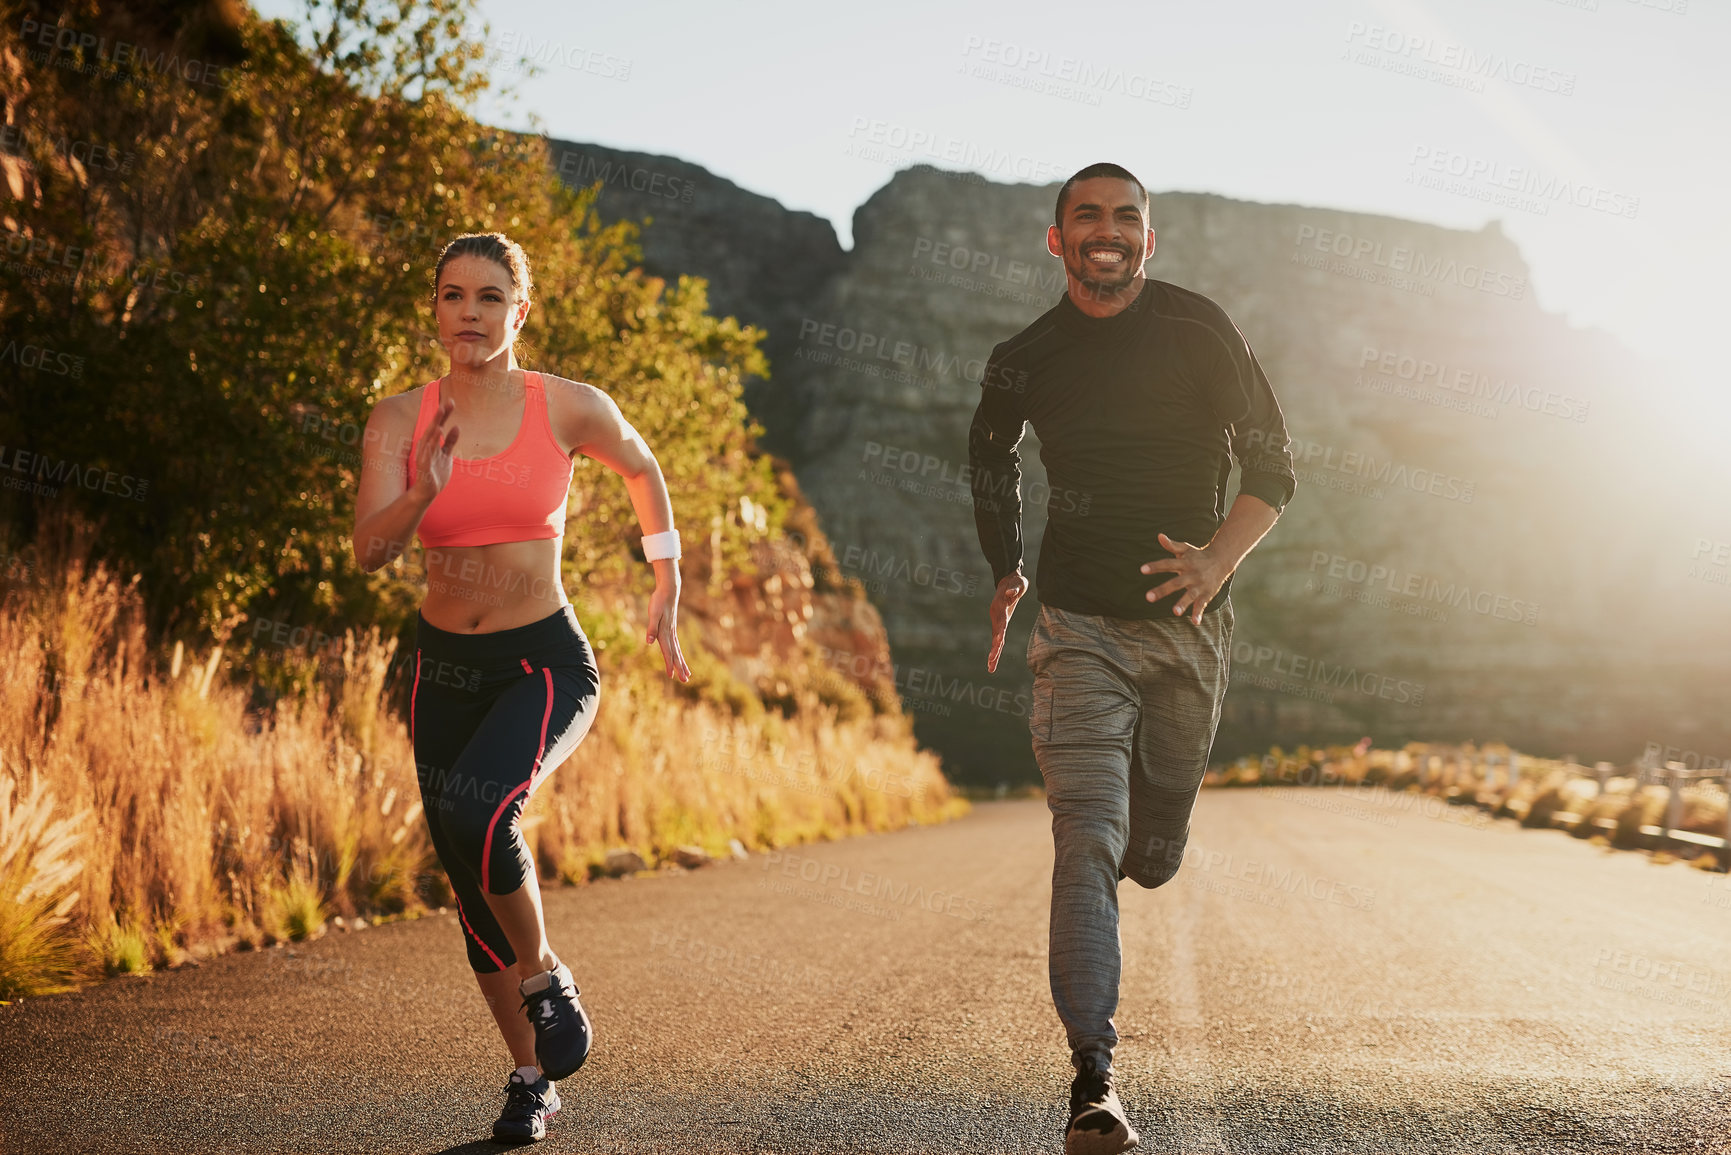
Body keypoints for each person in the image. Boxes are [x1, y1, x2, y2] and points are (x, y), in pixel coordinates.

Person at [968, 164, 1296, 1155]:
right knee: (1086, 837)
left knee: (1151, 847)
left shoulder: (1200, 328)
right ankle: (1092, 1079)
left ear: (1148, 240)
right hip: (1075, 631)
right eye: (1087, 217)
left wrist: (1215, 561)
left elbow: (1273, 462)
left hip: (1189, 638)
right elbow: (988, 451)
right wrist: (1006, 569)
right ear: (1056, 238)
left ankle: (1164, 832)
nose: (1107, 232)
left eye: (1126, 219)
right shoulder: (1025, 354)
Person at [351, 231, 692, 1144]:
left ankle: (544, 975)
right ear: (435, 308)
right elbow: (370, 551)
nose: (469, 313)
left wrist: (665, 577)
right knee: (467, 883)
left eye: (489, 297)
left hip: (543, 657)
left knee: (481, 816)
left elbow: (642, 466)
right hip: (440, 668)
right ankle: (531, 1076)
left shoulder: (568, 407)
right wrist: (421, 491)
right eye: (453, 295)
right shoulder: (396, 418)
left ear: (520, 311)